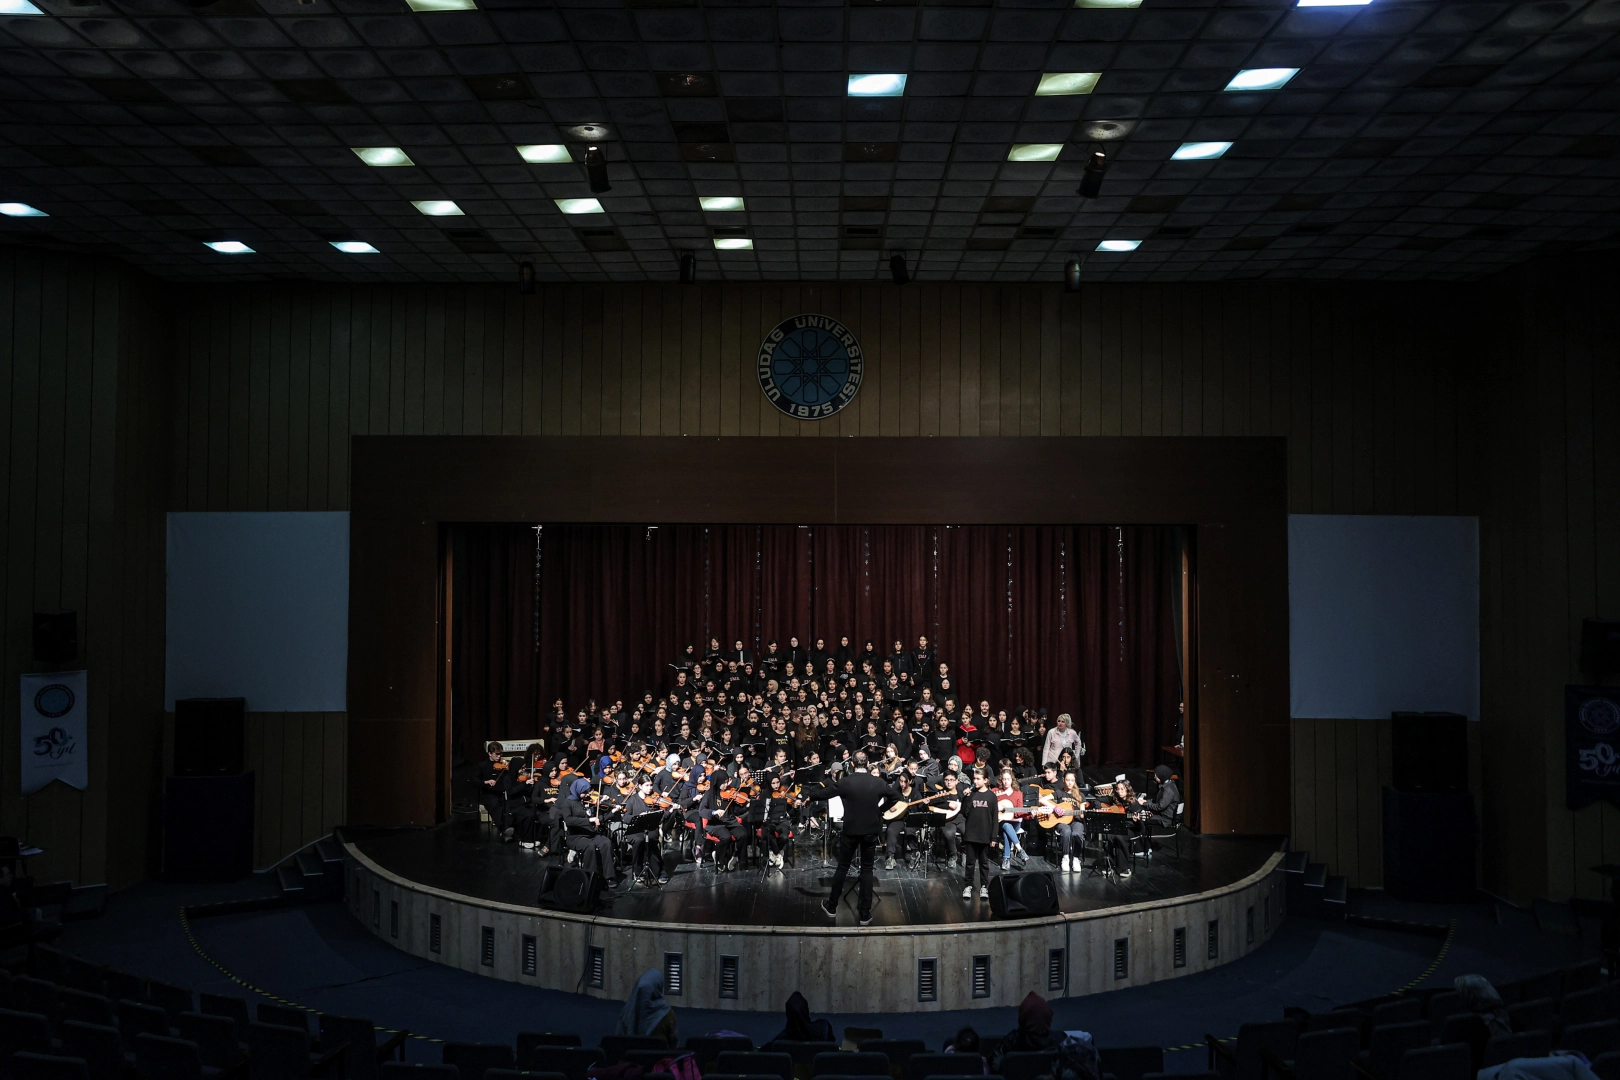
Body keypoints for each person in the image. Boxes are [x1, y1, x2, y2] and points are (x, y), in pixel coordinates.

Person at [804, 751, 897, 925]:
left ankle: (832, 906)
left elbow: (825, 793)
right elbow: (896, 797)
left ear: (852, 764)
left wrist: (810, 797)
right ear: (867, 763)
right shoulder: (878, 782)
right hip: (870, 831)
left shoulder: (845, 782)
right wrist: (880, 810)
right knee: (867, 870)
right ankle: (864, 914)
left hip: (851, 830)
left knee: (842, 867)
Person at [990, 991, 1061, 1071]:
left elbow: (994, 1065)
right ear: (1048, 1017)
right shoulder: (1058, 1043)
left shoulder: (1011, 1042)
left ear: (1023, 1019)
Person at [617, 969, 679, 1047]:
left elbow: (619, 1040)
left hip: (632, 1054)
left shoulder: (627, 1012)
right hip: (661, 1054)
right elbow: (673, 1042)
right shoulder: (668, 1014)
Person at [961, 768, 997, 902]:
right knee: (970, 862)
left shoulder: (991, 797)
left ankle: (984, 886)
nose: (975, 781)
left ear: (986, 780)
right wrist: (966, 798)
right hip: (971, 834)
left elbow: (995, 818)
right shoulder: (972, 795)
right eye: (974, 779)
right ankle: (968, 885)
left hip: (985, 834)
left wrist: (993, 837)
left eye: (978, 779)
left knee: (984, 863)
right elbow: (964, 812)